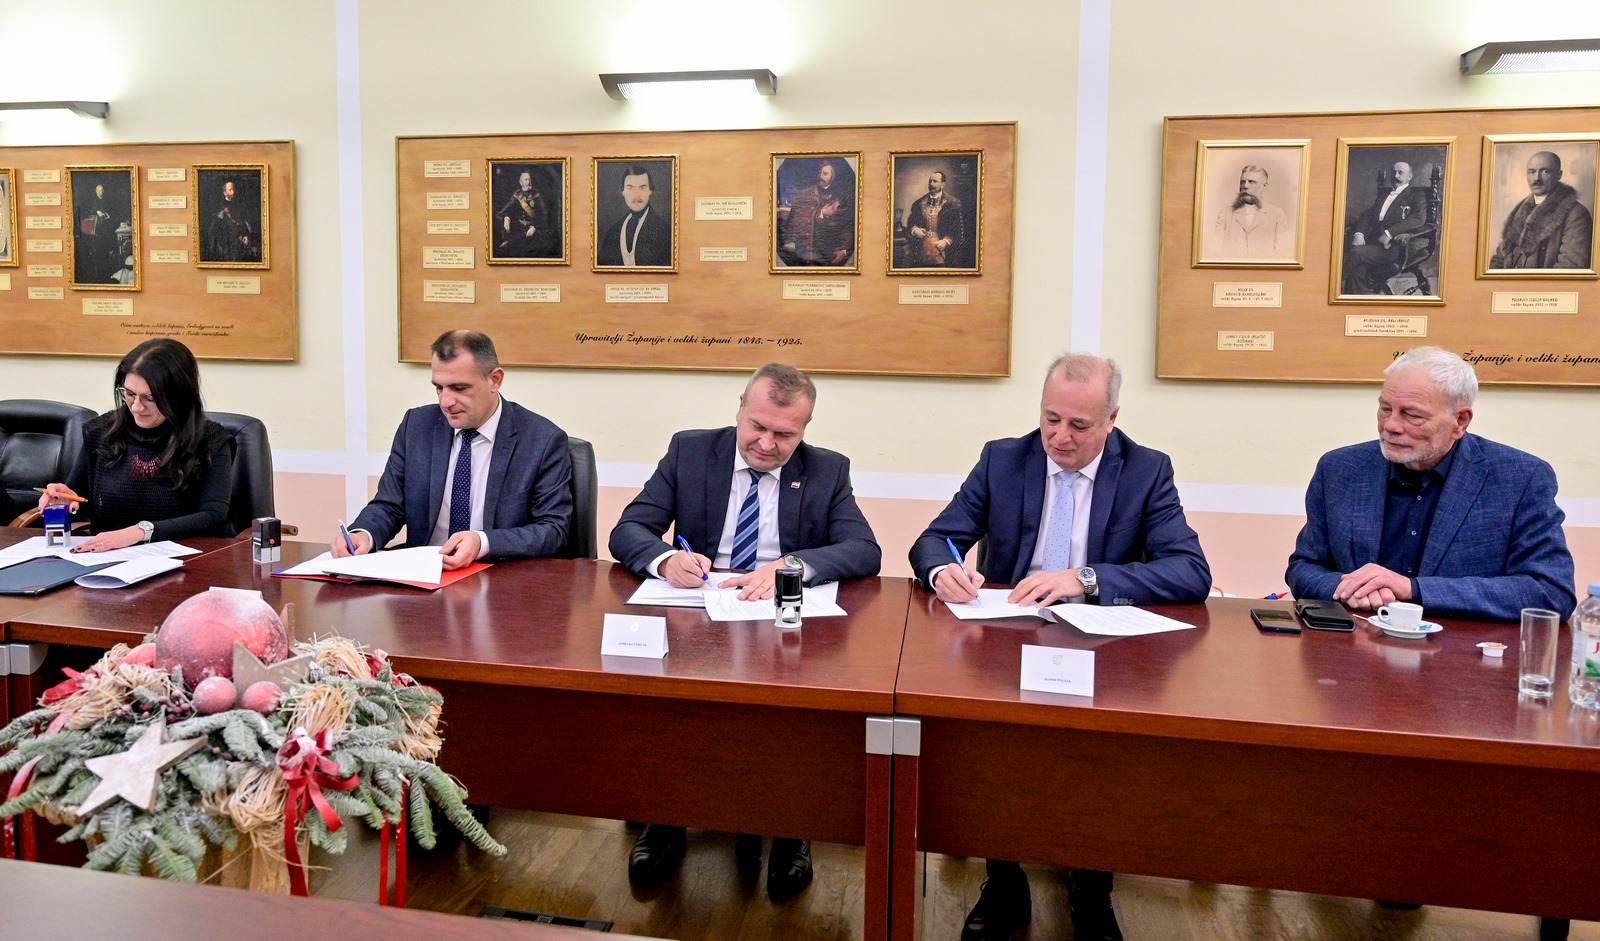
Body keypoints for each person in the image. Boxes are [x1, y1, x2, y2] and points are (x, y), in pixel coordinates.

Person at [909, 353, 1211, 941]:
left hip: (1103, 645)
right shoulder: (1004, 458)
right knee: (994, 749)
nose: (1060, 437)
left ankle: (1091, 888)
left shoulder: (1146, 470)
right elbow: (936, 538)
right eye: (1050, 419)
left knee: (1099, 761)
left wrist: (1086, 578)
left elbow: (1190, 571)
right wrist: (944, 570)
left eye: (1079, 425)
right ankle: (1004, 882)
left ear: (1112, 419)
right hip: (1008, 637)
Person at [608, 363, 881, 900]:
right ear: (740, 407)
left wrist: (792, 566)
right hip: (698, 615)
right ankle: (666, 818)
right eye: (758, 426)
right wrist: (665, 559)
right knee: (669, 696)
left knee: (797, 703)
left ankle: (791, 828)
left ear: (804, 429)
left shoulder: (826, 470)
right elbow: (629, 529)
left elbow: (864, 550)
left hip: (782, 622)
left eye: (785, 434)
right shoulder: (690, 452)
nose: (767, 444)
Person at [1286, 346, 1575, 622]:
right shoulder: (1340, 469)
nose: (1390, 426)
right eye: (1385, 408)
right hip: (1355, 643)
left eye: (1412, 415)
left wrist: (1413, 589)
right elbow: (1304, 567)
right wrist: (1354, 588)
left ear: (1460, 421)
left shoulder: (1519, 478)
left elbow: (1550, 592)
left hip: (1461, 650)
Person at [335, 329, 573, 569]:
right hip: (423, 574)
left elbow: (553, 530)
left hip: (498, 577)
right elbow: (390, 505)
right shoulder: (416, 426)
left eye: (459, 388)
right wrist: (363, 534)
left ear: (495, 380)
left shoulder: (542, 441)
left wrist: (482, 541)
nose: (445, 402)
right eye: (439, 387)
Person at [38, 338, 235, 550]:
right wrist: (64, 501)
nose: (136, 407)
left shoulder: (210, 440)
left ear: (179, 395)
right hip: (106, 558)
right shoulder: (101, 432)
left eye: (150, 398)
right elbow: (79, 499)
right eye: (129, 394)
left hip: (183, 560)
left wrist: (140, 532)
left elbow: (212, 517)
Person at [1489, 151, 1594, 270]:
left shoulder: (1576, 214)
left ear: (1559, 175)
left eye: (1545, 171)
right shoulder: (1520, 212)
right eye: (1532, 172)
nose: (1536, 178)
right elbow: (1500, 257)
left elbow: (1570, 267)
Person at [1341, 161, 1429, 294]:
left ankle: (1330, 285)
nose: (1396, 175)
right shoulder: (1384, 195)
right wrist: (1359, 234)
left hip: (1396, 248)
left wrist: (1389, 233)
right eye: (1394, 172)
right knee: (1357, 272)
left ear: (1409, 176)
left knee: (1356, 253)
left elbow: (1418, 218)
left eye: (1400, 173)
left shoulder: (1416, 195)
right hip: (1373, 245)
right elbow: (1367, 215)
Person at [779, 159, 854, 266]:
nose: (821, 176)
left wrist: (844, 250)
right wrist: (821, 213)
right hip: (804, 254)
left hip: (829, 255)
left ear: (833, 176)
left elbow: (846, 227)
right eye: (820, 173)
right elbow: (792, 223)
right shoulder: (803, 195)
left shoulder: (841, 197)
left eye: (825, 174)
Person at [597, 163, 671, 267]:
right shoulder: (614, 232)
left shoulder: (665, 232)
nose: (636, 195)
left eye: (642, 188)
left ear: (650, 190)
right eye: (630, 188)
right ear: (622, 191)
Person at [1213, 164, 1290, 257]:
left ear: (1264, 186)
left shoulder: (1277, 214)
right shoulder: (1225, 214)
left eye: (1251, 182)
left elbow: (1283, 253)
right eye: (1242, 182)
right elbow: (1215, 251)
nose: (1245, 186)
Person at [904, 171, 965, 267]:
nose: (932, 184)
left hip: (943, 252)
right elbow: (911, 222)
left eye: (935, 181)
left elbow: (957, 229)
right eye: (930, 181)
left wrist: (945, 242)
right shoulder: (919, 203)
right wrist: (915, 230)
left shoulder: (953, 203)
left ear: (943, 184)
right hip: (921, 250)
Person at [495, 170, 558, 259]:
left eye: (529, 179)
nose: (528, 182)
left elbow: (544, 214)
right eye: (525, 180)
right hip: (518, 228)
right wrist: (506, 218)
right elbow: (507, 209)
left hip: (535, 229)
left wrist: (534, 228)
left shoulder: (537, 194)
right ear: (520, 182)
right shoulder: (517, 194)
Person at [205, 179, 259, 263]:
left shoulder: (240, 205)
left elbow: (244, 222)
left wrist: (246, 235)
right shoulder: (219, 207)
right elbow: (214, 230)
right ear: (225, 193)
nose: (233, 192)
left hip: (240, 241)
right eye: (230, 190)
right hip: (226, 244)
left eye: (233, 189)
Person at [76, 183, 118, 282]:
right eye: (98, 190)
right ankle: (98, 274)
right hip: (95, 233)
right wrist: (96, 212)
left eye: (101, 190)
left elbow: (114, 214)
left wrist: (107, 215)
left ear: (104, 191)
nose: (100, 192)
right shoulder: (92, 201)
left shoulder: (108, 201)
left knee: (106, 254)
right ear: (95, 192)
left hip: (106, 232)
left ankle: (106, 274)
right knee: (97, 254)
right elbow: (86, 213)